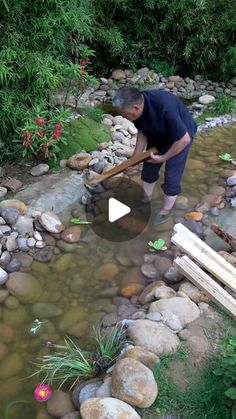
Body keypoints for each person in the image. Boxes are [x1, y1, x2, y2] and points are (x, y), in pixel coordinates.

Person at [112, 87, 197, 224]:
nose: (123, 117)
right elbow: (142, 131)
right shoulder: (137, 111)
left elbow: (184, 139)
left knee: (171, 175)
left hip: (180, 137)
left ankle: (166, 210)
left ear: (136, 108)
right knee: (149, 169)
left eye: (124, 114)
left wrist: (164, 157)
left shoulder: (164, 108)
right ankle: (146, 199)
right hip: (158, 133)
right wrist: (135, 159)